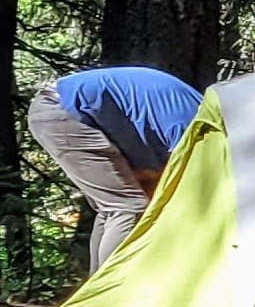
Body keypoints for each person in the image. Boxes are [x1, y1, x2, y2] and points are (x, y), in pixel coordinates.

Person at [29, 65, 206, 271]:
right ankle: (111, 292)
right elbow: (186, 185)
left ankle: (95, 292)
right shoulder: (193, 126)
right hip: (63, 111)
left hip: (62, 108)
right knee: (127, 207)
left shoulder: (196, 114)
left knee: (113, 209)